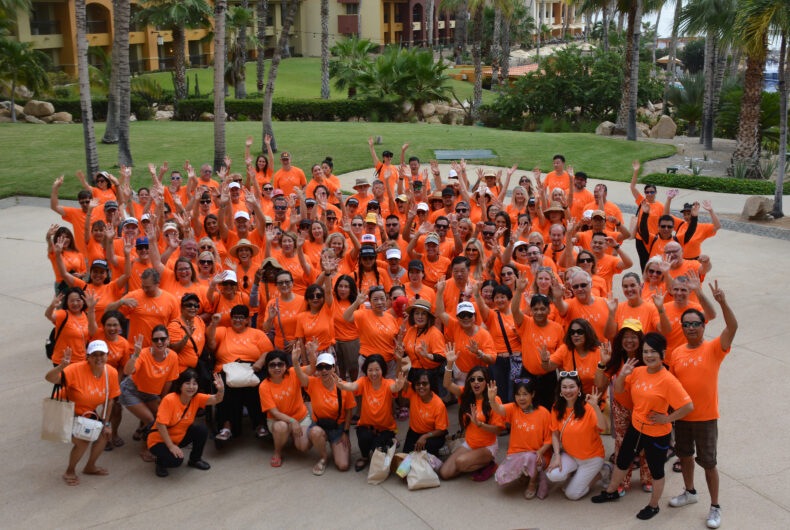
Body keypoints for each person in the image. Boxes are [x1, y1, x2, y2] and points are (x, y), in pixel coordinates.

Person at [591, 333, 694, 520]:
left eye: (653, 352)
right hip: (636, 428)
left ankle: (653, 506)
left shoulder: (668, 380)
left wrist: (668, 419)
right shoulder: (638, 371)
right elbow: (619, 390)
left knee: (656, 470)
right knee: (622, 460)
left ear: (663, 353)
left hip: (657, 434)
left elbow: (688, 406)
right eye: (646, 351)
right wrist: (622, 375)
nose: (649, 356)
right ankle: (611, 491)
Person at [667, 281, 737, 530]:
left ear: (703, 325)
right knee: (685, 456)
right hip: (683, 418)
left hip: (706, 418)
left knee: (708, 463)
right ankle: (689, 492)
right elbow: (671, 385)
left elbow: (732, 326)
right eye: (686, 324)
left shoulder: (714, 348)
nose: (691, 328)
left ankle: (715, 506)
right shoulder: (676, 353)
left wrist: (722, 302)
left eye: (696, 323)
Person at [45, 340, 121, 486]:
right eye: (94, 355)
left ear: (107, 355)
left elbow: (109, 401)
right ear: (88, 357)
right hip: (67, 411)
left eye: (102, 354)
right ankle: (70, 471)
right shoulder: (75, 369)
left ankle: (90, 466)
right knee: (83, 442)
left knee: (104, 435)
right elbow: (50, 379)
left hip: (86, 413)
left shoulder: (110, 373)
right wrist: (62, 366)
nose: (99, 358)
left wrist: (106, 424)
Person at [595, 320, 651, 493]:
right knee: (622, 445)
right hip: (620, 408)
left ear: (640, 339)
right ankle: (622, 482)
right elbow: (599, 385)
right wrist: (602, 364)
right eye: (625, 336)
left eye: (633, 336)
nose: (629, 340)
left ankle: (647, 478)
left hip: (643, 408)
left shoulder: (647, 358)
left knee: (645, 444)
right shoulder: (617, 358)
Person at [206, 305, 273, 442]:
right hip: (227, 368)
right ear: (230, 319)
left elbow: (268, 352)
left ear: (247, 320)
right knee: (223, 386)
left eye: (241, 318)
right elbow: (211, 345)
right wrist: (213, 323)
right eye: (234, 317)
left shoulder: (257, 333)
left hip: (252, 367)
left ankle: (260, 424)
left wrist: (260, 362)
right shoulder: (223, 331)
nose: (237, 320)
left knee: (260, 386)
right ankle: (226, 426)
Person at [441, 345, 505, 481]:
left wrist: (480, 424)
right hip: (469, 444)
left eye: (480, 379)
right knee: (445, 473)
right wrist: (450, 363)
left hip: (487, 447)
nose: (476, 382)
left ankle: (489, 464)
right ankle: (472, 462)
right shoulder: (466, 394)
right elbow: (447, 384)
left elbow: (499, 430)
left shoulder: (494, 399)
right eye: (473, 379)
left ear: (486, 382)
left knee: (460, 463)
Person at [335, 354, 408, 472]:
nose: (374, 373)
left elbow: (394, 387)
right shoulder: (364, 381)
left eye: (377, 369)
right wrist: (342, 384)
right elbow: (353, 385)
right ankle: (364, 457)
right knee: (363, 437)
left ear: (383, 370)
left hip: (385, 428)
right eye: (370, 370)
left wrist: (399, 385)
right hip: (366, 426)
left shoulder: (387, 383)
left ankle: (389, 442)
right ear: (366, 371)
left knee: (377, 450)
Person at [148, 369, 225, 477]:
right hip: (159, 440)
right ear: (180, 385)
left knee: (201, 430)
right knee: (177, 461)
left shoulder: (196, 398)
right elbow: (161, 425)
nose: (191, 387)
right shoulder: (169, 399)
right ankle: (160, 461)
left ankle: (195, 460)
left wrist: (221, 390)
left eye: (194, 384)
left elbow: (217, 399)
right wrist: (170, 446)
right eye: (187, 383)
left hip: (179, 437)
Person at [292, 345, 355, 474]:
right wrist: (295, 362)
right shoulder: (313, 383)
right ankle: (323, 457)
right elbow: (299, 375)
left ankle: (334, 445)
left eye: (328, 367)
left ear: (334, 368)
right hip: (319, 425)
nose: (324, 370)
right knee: (314, 432)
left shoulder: (343, 386)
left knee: (343, 466)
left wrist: (346, 432)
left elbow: (349, 411)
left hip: (337, 427)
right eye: (320, 367)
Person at [121, 325, 180, 462]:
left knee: (162, 416)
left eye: (163, 339)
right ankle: (145, 448)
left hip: (150, 393)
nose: (159, 342)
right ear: (151, 341)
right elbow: (127, 371)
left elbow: (168, 382)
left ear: (168, 340)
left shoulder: (172, 356)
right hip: (131, 391)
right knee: (150, 420)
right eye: (156, 339)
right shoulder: (143, 353)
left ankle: (145, 432)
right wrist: (135, 355)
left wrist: (162, 401)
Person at [545, 373, 607, 500]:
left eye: (572, 387)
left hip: (591, 458)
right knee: (553, 475)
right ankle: (576, 473)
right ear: (560, 389)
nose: (568, 391)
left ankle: (603, 472)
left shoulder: (588, 407)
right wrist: (557, 456)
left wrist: (595, 407)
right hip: (571, 455)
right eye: (565, 387)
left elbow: (603, 427)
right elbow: (555, 433)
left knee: (572, 495)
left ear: (579, 388)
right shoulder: (556, 408)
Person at [490, 378, 552, 499]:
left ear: (533, 394)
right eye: (518, 395)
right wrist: (492, 399)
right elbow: (498, 409)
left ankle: (533, 482)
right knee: (500, 477)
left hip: (538, 455)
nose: (521, 398)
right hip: (517, 453)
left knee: (530, 458)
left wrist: (540, 451)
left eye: (525, 394)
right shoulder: (514, 408)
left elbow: (549, 440)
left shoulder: (544, 413)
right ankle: (526, 473)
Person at [259, 349, 312, 467]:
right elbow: (274, 413)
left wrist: (311, 354)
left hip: (301, 416)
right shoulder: (264, 386)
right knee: (281, 426)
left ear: (285, 365)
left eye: (280, 364)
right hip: (279, 420)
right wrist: (292, 421)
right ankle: (277, 452)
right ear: (267, 367)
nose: (276, 368)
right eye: (272, 365)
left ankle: (293, 435)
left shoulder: (293, 372)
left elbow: (312, 369)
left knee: (304, 447)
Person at [343, 286, 401, 377]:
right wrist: (356, 303)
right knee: (365, 389)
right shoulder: (363, 314)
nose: (379, 302)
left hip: (388, 363)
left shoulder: (391, 318)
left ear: (386, 299)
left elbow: (396, 339)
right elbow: (346, 317)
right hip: (368, 363)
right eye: (375, 299)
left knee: (388, 390)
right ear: (370, 301)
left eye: (382, 299)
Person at [541, 319, 601, 396]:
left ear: (587, 333)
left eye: (580, 332)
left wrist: (595, 401)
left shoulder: (598, 352)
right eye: (572, 332)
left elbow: (604, 383)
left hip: (595, 398)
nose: (575, 335)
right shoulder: (565, 349)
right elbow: (547, 367)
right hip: (572, 398)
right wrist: (544, 360)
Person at [400, 299, 446, 394]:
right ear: (413, 316)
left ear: (428, 316)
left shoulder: (435, 333)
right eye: (417, 313)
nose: (420, 317)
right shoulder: (411, 331)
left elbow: (442, 357)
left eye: (423, 314)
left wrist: (428, 355)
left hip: (432, 375)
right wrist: (400, 352)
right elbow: (405, 352)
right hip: (414, 373)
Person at [400, 369, 449, 456]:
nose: (421, 386)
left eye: (425, 383)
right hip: (413, 433)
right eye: (418, 384)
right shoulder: (413, 393)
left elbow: (441, 430)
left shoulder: (439, 404)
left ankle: (438, 449)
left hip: (432, 435)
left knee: (425, 456)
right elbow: (400, 380)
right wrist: (399, 360)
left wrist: (425, 436)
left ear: (431, 385)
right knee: (405, 459)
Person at [45, 287, 98, 365]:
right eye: (72, 301)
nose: (75, 303)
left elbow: (93, 332)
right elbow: (48, 315)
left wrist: (91, 308)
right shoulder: (63, 314)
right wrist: (52, 306)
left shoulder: (87, 315)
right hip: (63, 362)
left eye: (78, 300)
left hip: (81, 361)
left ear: (83, 302)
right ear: (67, 302)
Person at [167, 293, 207, 374]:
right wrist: (187, 337)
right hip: (181, 370)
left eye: (196, 305)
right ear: (181, 308)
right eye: (189, 305)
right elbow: (174, 350)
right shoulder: (174, 326)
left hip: (197, 368)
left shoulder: (199, 320)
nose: (193, 308)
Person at [332, 274, 360, 381]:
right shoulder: (333, 298)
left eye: (346, 287)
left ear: (351, 289)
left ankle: (356, 396)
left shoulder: (357, 303)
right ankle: (342, 396)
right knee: (340, 372)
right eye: (340, 286)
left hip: (352, 342)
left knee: (354, 372)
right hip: (335, 342)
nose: (343, 289)